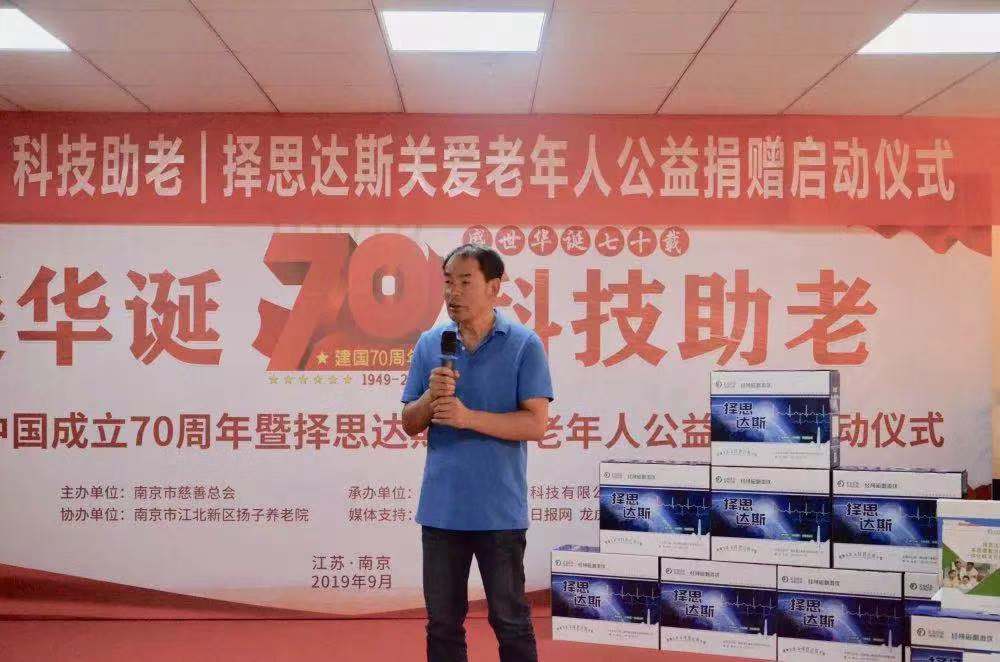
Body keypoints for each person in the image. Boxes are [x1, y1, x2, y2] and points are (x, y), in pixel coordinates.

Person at [401, 243, 554, 662]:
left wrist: (468, 418)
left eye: (465, 282)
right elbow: (410, 422)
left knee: (510, 621)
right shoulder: (431, 344)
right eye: (448, 282)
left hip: (498, 512)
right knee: (442, 624)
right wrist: (430, 397)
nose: (453, 292)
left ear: (494, 287)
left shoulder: (524, 344)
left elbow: (536, 424)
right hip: (441, 510)